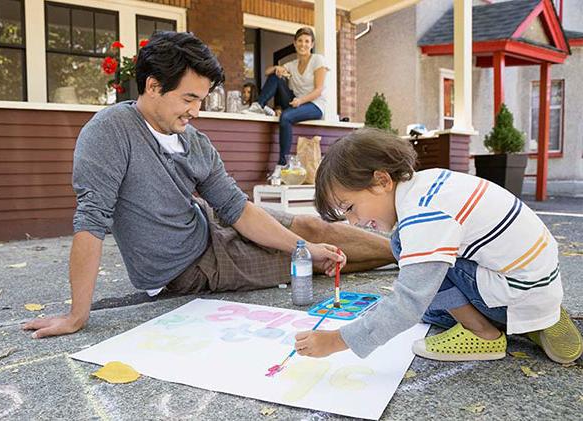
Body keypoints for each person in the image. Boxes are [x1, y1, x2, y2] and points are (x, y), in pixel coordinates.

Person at [22, 32, 395, 340]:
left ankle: (411, 249)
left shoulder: (193, 140)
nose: (196, 111)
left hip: (209, 225)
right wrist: (77, 315)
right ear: (153, 86)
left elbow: (236, 207)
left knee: (313, 229)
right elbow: (91, 221)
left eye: (200, 99)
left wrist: (305, 244)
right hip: (191, 268)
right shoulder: (109, 133)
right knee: (308, 264)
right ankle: (411, 258)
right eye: (188, 98)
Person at [294, 128, 583, 364]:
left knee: (413, 281)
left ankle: (483, 333)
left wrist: (336, 341)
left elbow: (407, 303)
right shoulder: (428, 184)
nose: (354, 222)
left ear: (382, 180)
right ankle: (539, 317)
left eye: (351, 207)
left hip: (517, 290)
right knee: (430, 308)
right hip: (536, 281)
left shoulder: (422, 217)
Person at [246, 27, 328, 171]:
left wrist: (300, 101)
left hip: (314, 104)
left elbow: (319, 90)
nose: (303, 44)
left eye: (307, 41)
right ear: (295, 43)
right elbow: (267, 72)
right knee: (275, 76)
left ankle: (282, 163)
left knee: (285, 117)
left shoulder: (317, 60)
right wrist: (278, 68)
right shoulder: (291, 64)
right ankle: (259, 105)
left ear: (312, 44)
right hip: (295, 101)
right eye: (300, 41)